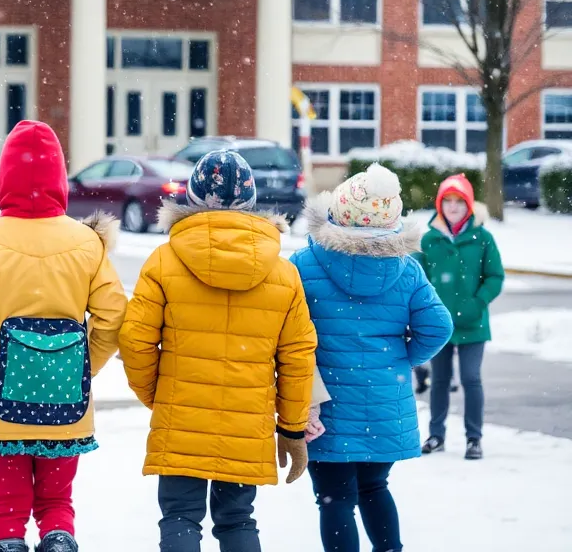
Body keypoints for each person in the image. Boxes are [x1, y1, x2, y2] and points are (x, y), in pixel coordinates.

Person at [0, 121, 129, 552]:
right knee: (58, 501)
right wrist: (83, 366)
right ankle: (59, 541)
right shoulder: (87, 243)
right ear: (59, 179)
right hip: (66, 402)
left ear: (5, 178)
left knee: (7, 507)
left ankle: (8, 543)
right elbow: (113, 316)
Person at [119, 149, 317, 552]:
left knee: (179, 516)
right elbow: (298, 357)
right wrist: (292, 428)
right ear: (250, 201)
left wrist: (156, 395)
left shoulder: (164, 261)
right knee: (238, 519)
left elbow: (135, 340)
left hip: (182, 415)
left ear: (190, 198)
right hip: (248, 423)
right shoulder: (282, 273)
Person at [291, 163, 453, 552]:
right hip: (385, 402)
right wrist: (400, 359)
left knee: (334, 498)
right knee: (375, 486)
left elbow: (288, 332)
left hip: (325, 404)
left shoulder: (303, 264)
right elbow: (439, 326)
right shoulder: (407, 270)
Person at [417, 173, 506, 460]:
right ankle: (436, 435)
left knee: (471, 378)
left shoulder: (482, 238)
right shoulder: (429, 239)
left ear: (468, 205)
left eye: (459, 201)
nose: (453, 207)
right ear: (440, 204)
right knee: (439, 380)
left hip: (473, 322)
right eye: (448, 201)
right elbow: (419, 280)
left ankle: (474, 438)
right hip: (440, 326)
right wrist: (426, 312)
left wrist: (478, 302)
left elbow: (495, 276)